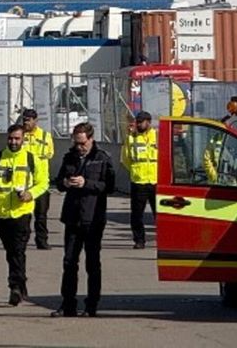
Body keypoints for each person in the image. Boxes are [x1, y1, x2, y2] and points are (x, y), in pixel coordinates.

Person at [0, 123, 48, 306]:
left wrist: (31, 194)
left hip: (21, 212)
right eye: (11, 138)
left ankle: (14, 286)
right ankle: (21, 285)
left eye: (17, 138)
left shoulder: (31, 159)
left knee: (17, 250)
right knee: (11, 252)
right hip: (1, 213)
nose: (13, 142)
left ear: (23, 139)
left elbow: (43, 182)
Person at [51, 122, 115, 318]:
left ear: (90, 139)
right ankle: (68, 303)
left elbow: (109, 186)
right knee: (69, 262)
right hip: (72, 216)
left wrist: (86, 183)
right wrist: (65, 182)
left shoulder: (102, 158)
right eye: (76, 143)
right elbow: (59, 182)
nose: (79, 147)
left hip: (93, 218)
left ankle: (91, 305)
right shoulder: (69, 157)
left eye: (82, 143)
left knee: (92, 263)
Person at [121, 111, 159, 249]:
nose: (138, 124)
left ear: (148, 122)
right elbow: (125, 159)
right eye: (137, 121)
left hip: (156, 181)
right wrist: (136, 171)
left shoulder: (157, 136)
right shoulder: (131, 138)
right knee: (137, 215)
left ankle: (162, 239)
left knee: (160, 215)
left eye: (141, 121)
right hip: (139, 181)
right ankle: (139, 240)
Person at [19, 109, 55, 250]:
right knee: (23, 213)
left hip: (40, 182)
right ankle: (22, 240)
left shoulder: (45, 136)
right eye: (24, 120)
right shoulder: (19, 135)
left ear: (35, 120)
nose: (26, 122)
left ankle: (42, 240)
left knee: (41, 214)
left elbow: (49, 154)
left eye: (28, 120)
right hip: (23, 181)